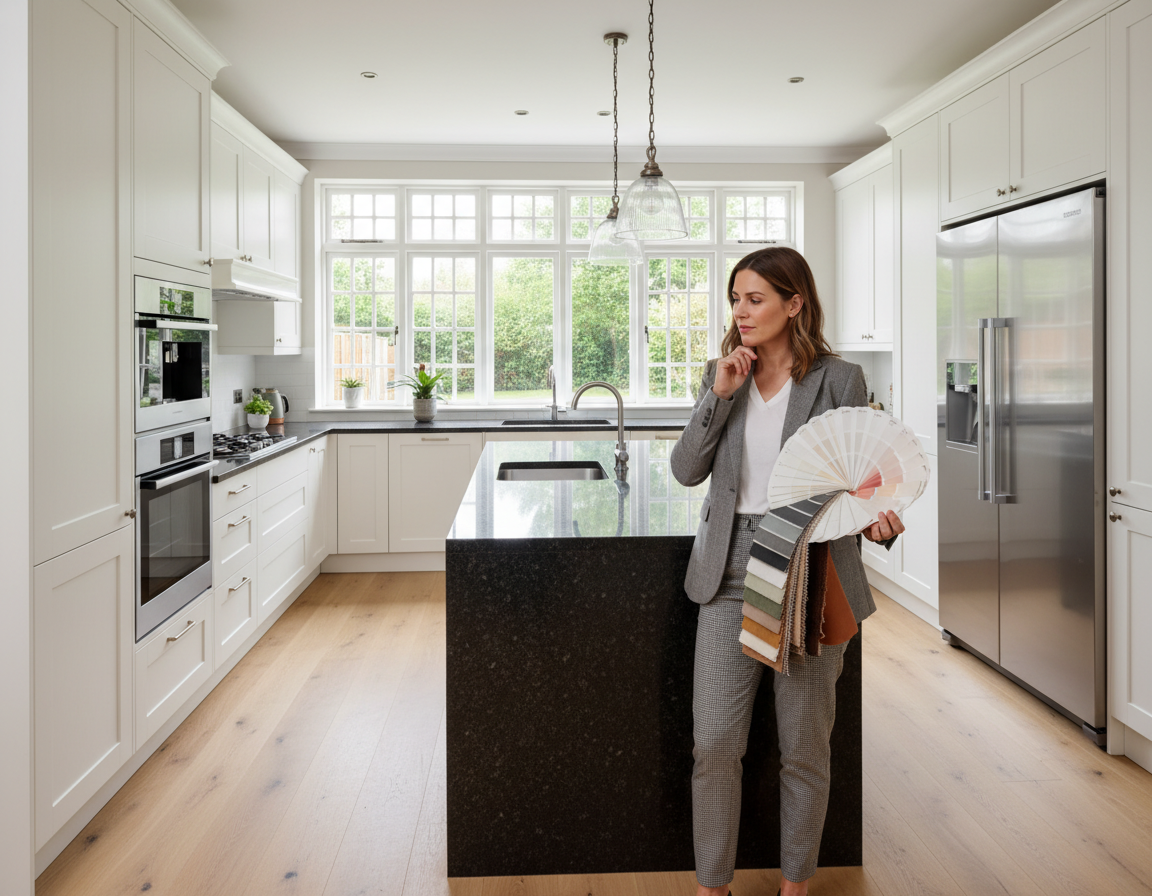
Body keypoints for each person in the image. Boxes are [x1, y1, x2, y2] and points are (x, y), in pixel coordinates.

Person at [669, 247, 905, 896]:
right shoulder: (723, 374)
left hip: (807, 566)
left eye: (755, 299)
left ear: (794, 303)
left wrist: (877, 516)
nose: (741, 312)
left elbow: (858, 478)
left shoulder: (838, 380)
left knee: (804, 746)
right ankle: (710, 886)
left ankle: (795, 884)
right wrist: (718, 397)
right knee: (715, 743)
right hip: (728, 570)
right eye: (736, 300)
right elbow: (687, 470)